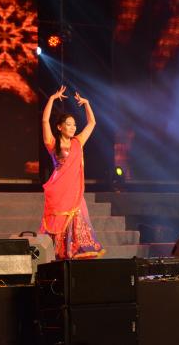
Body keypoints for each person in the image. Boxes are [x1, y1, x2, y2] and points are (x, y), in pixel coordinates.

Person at [40, 86, 104, 259]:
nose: (73, 127)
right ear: (59, 127)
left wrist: (87, 104)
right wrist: (51, 99)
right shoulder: (52, 143)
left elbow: (92, 123)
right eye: (68, 124)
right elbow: (45, 121)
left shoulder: (78, 142)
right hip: (58, 192)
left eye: (74, 125)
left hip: (74, 193)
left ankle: (72, 256)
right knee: (58, 227)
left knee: (76, 226)